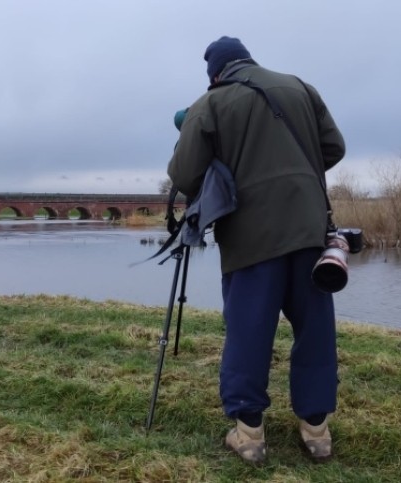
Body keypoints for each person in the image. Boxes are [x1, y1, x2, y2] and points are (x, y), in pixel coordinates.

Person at [167, 36, 345, 463]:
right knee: (314, 328)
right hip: (308, 229)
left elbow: (184, 174)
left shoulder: (210, 104)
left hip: (250, 236)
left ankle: (249, 434)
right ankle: (316, 430)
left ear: (215, 72)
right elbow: (334, 148)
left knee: (249, 330)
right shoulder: (300, 87)